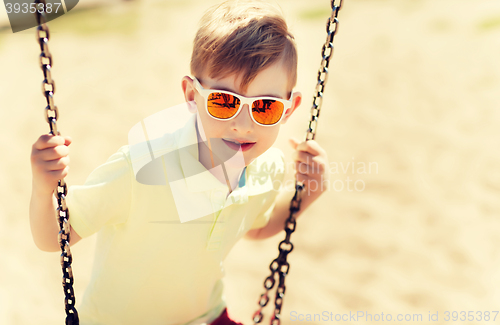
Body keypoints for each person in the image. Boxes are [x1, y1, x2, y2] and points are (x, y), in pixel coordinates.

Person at [29, 1, 329, 324]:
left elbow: (255, 226)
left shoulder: (268, 167)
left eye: (265, 107)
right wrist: (43, 186)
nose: (243, 125)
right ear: (191, 95)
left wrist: (307, 193)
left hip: (204, 316)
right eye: (225, 102)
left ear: (289, 108)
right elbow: (52, 237)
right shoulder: (141, 167)